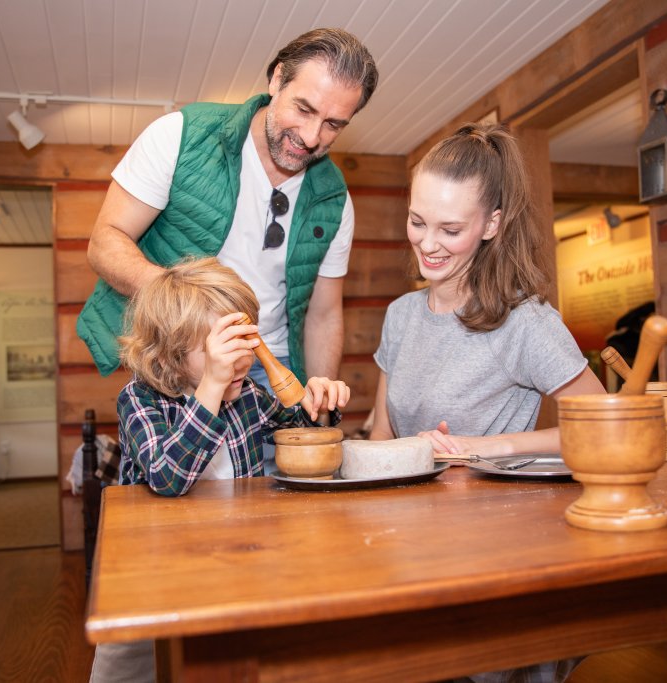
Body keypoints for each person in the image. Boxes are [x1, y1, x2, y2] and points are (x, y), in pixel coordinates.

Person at [370, 123, 605, 682]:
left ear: (491, 225)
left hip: (497, 563)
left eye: (450, 229)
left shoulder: (526, 322)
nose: (427, 244)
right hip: (409, 554)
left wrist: (472, 450)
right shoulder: (401, 316)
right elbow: (380, 430)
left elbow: (599, 427)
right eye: (417, 221)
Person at [77, 28, 378, 406]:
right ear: (277, 78)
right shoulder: (181, 134)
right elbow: (105, 242)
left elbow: (323, 313)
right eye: (304, 109)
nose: (312, 136)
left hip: (274, 369)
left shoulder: (334, 197)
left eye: (334, 124)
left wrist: (318, 391)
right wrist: (189, 303)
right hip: (176, 360)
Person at [89, 257, 349, 682]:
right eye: (221, 347)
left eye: (245, 340)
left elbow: (299, 431)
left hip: (229, 568)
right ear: (171, 353)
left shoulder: (248, 395)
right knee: (132, 668)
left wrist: (320, 409)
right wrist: (210, 387)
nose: (239, 358)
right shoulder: (140, 400)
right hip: (151, 579)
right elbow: (167, 478)